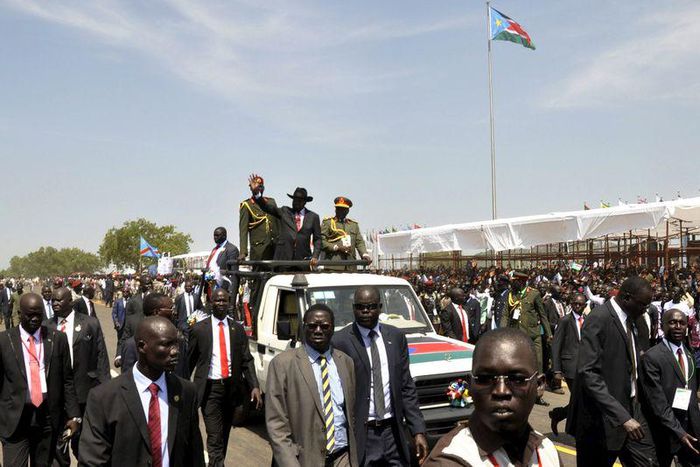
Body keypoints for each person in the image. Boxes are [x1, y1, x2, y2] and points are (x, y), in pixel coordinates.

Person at [423, 328, 561, 466]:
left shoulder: (547, 451)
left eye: (517, 379)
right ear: (470, 386)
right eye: (485, 378)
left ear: (539, 386)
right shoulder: (451, 460)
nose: (501, 391)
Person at [79, 316, 205, 466]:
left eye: (176, 344)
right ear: (142, 346)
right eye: (166, 345)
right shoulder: (104, 398)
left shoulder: (186, 392)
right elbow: (92, 461)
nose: (175, 351)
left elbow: (194, 453)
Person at [332, 285, 429, 466]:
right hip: (363, 434)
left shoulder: (396, 337)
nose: (366, 311)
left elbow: (406, 386)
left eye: (371, 306)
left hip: (393, 432)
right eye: (360, 307)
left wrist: (418, 431)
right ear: (353, 308)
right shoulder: (340, 341)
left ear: (380, 307)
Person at [567, 276, 658, 466]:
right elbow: (588, 373)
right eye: (642, 304)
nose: (645, 310)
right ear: (626, 298)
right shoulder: (599, 319)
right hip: (601, 421)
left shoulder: (635, 320)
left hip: (633, 410)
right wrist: (621, 416)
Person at [266, 304, 358, 466]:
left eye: (324, 326)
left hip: (342, 457)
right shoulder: (282, 364)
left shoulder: (346, 362)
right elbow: (276, 425)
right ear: (303, 327)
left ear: (333, 328)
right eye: (312, 326)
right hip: (304, 460)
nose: (318, 330)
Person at [0, 293, 80, 466]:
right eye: (30, 315)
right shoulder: (4, 341)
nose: (35, 319)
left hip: (47, 419)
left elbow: (67, 380)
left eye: (39, 314)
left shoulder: (57, 339)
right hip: (15, 421)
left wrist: (74, 416)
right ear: (20, 314)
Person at [188, 289, 262, 467]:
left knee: (224, 435)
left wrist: (254, 386)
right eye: (217, 300)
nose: (221, 303)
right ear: (210, 302)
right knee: (214, 437)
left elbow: (246, 359)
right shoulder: (199, 329)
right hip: (209, 390)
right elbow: (189, 361)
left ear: (229, 303)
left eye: (224, 301)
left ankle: (216, 463)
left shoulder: (237, 329)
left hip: (231, 390)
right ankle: (217, 463)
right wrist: (180, 387)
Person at [50, 286, 111, 466]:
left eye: (59, 300)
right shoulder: (47, 326)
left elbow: (101, 358)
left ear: (71, 302)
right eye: (53, 300)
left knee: (84, 443)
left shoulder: (90, 323)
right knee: (59, 443)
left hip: (85, 392)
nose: (55, 303)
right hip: (58, 395)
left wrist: (105, 389)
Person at [640, 309, 700, 467]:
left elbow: (692, 395)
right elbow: (657, 402)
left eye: (682, 323)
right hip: (665, 430)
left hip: (690, 428)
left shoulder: (689, 354)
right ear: (662, 325)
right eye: (672, 322)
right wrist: (678, 432)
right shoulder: (652, 357)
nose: (678, 326)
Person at [500, 272, 552, 406]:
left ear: (521, 281)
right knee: (516, 365)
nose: (511, 283)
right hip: (517, 337)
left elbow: (542, 315)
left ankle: (538, 395)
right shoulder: (511, 295)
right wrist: (501, 332)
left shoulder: (534, 294)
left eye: (514, 281)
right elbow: (505, 314)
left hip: (534, 337)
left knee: (538, 366)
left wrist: (549, 334)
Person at [249, 174, 322, 269]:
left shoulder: (313, 217)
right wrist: (257, 194)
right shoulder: (284, 211)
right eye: (294, 199)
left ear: (304, 202)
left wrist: (315, 256)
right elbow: (266, 207)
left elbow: (318, 239)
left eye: (299, 200)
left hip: (303, 262)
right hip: (283, 260)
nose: (296, 202)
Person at [549, 292, 586, 435]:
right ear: (571, 304)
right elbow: (556, 345)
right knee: (580, 400)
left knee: (581, 400)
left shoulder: (588, 320)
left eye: (580, 304)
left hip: (584, 367)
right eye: (575, 303)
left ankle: (558, 414)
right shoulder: (565, 321)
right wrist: (556, 370)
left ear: (585, 305)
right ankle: (574, 431)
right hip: (570, 367)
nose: (577, 306)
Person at [321, 196, 371, 271]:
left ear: (347, 211)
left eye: (343, 209)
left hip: (351, 266)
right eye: (338, 208)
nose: (340, 211)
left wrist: (364, 254)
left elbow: (359, 242)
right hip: (333, 266)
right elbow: (321, 241)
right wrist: (336, 247)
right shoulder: (328, 223)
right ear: (335, 209)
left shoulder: (353, 225)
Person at [239, 174, 278, 262]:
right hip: (259, 249)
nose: (258, 188)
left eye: (260, 186)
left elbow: (278, 222)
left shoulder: (271, 202)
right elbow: (243, 230)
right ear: (251, 188)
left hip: (275, 247)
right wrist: (243, 252)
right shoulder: (247, 205)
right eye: (256, 186)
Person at [115, 276, 152, 368]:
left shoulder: (161, 300)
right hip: (135, 349)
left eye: (150, 284)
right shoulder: (133, 301)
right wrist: (119, 354)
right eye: (146, 284)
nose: (149, 286)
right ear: (141, 286)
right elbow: (126, 333)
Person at [205, 227, 240, 302]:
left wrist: (231, 294)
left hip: (223, 292)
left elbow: (234, 274)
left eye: (217, 235)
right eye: (214, 235)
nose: (215, 238)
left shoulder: (231, 249)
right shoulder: (215, 250)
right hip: (211, 289)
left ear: (224, 236)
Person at [111, 287, 131, 352]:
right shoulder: (118, 301)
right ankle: (119, 354)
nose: (125, 293)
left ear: (129, 293)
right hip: (120, 325)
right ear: (122, 292)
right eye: (124, 292)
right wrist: (116, 322)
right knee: (120, 341)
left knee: (128, 341)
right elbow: (114, 313)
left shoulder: (131, 301)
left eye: (127, 292)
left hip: (128, 325)